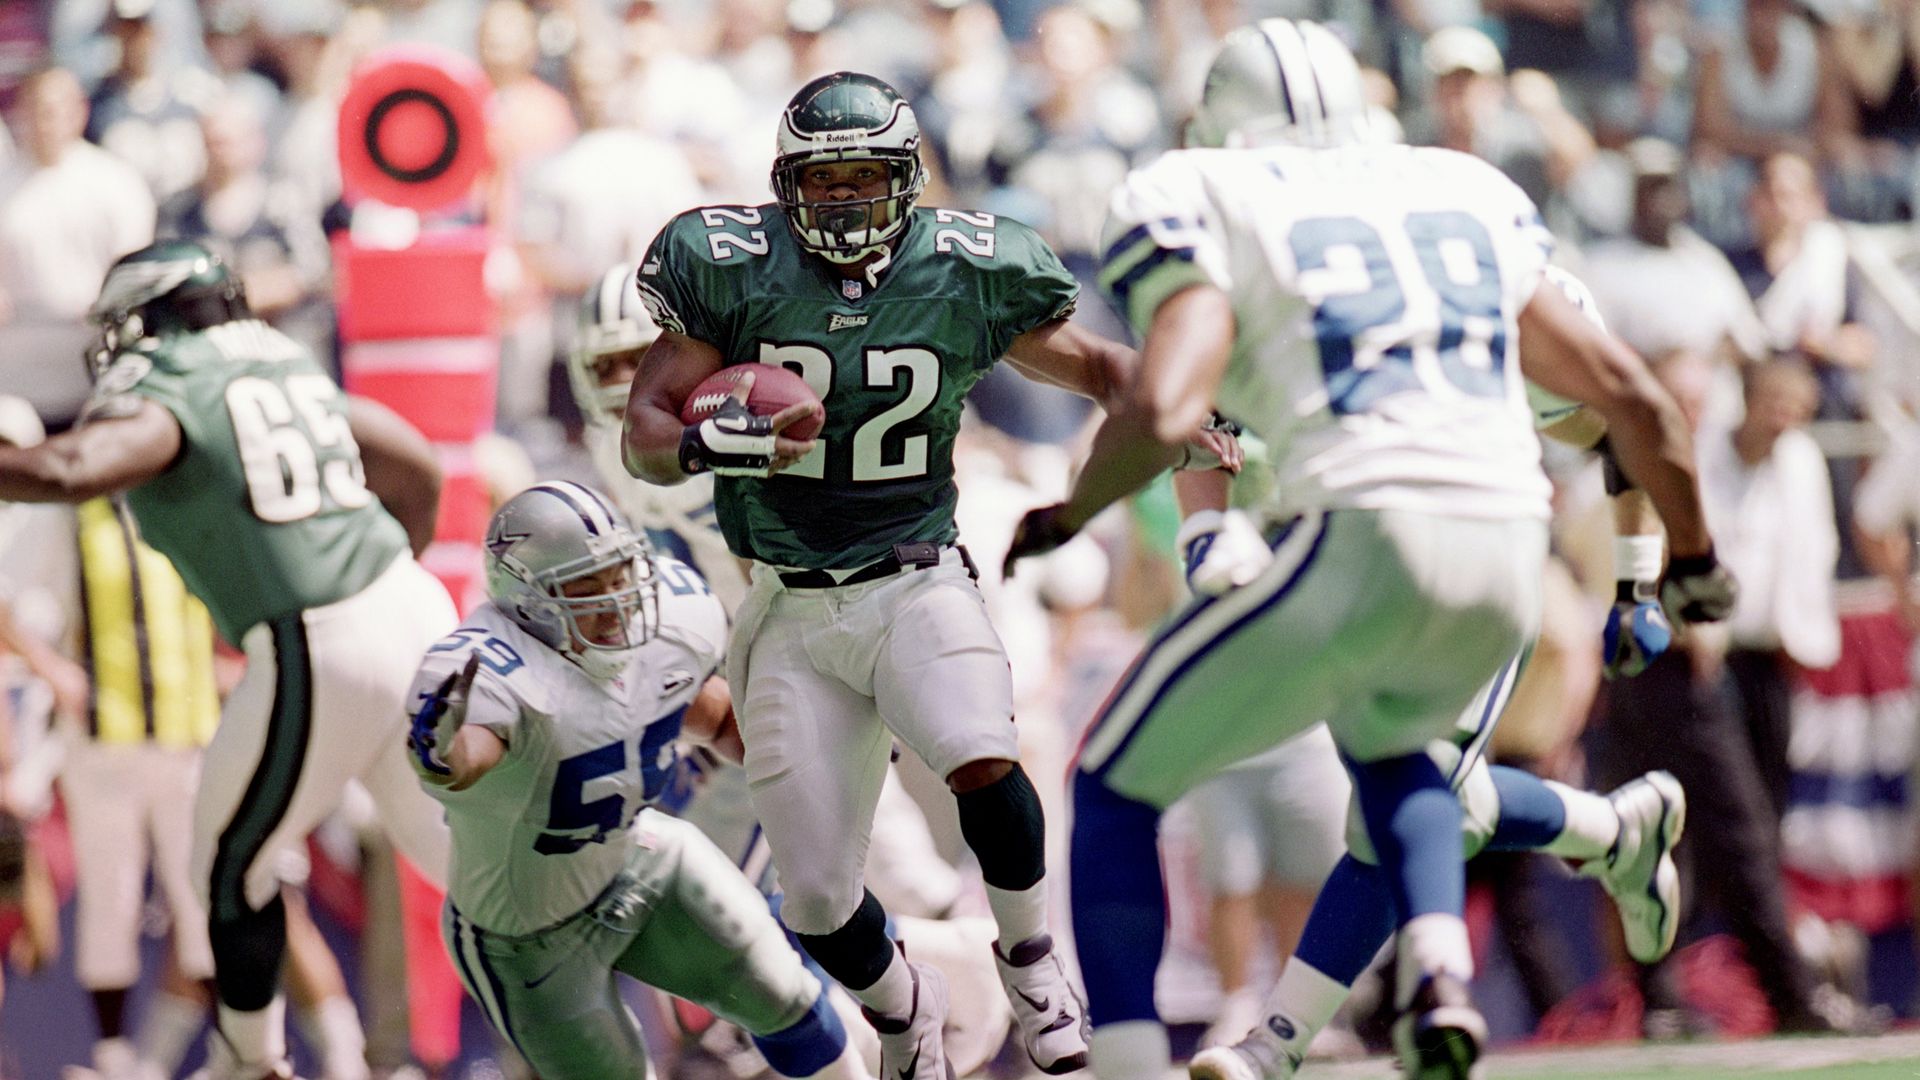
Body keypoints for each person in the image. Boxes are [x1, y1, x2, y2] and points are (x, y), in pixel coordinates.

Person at [998, 20, 1732, 1080]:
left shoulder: (1222, 211)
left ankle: (1257, 1046)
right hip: (1486, 552)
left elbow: (1171, 401)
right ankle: (1556, 874)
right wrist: (1682, 566)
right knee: (1414, 778)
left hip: (1361, 531)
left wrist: (1633, 578)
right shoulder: (1462, 207)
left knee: (1130, 783)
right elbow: (1637, 402)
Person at [622, 71, 1230, 1079]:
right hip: (787, 601)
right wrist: (709, 447)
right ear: (786, 187)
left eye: (869, 176)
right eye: (826, 181)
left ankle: (1033, 960)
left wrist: (1174, 416)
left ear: (909, 179)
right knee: (816, 898)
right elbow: (648, 425)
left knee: (977, 748)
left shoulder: (963, 265)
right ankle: (910, 1006)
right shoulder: (725, 266)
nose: (849, 200)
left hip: (915, 573)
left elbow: (1091, 363)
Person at [0, 240, 457, 1080]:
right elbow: (417, 464)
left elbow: (73, 464)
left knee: (226, 862)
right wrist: (393, 573)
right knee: (469, 864)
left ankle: (250, 1062)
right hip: (412, 604)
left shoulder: (174, 381)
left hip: (316, 634)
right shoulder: (281, 361)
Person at [404, 480, 869, 1080]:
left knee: (788, 1000)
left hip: (640, 859)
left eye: (620, 575)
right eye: (587, 589)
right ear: (530, 603)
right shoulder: (494, 667)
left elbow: (715, 717)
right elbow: (468, 758)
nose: (617, 600)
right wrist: (441, 748)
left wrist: (805, 751)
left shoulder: (666, 625)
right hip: (524, 935)